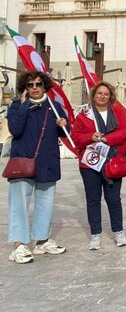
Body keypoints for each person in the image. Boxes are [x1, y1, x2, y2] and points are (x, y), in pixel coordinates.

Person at [6, 71, 68, 264]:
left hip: (47, 163)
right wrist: (25, 105)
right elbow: (15, 129)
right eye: (30, 85)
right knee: (19, 205)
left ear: (45, 87)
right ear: (25, 88)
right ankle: (18, 245)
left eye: (38, 84)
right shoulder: (17, 106)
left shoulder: (54, 107)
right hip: (22, 162)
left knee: (45, 203)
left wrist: (63, 124)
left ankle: (42, 241)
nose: (34, 88)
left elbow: (65, 133)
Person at [72, 82, 126, 250]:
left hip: (112, 161)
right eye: (99, 93)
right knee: (93, 200)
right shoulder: (85, 114)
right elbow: (76, 136)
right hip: (90, 163)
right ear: (94, 95)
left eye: (106, 94)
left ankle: (119, 231)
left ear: (110, 96)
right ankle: (95, 235)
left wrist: (107, 138)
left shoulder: (117, 113)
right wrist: (91, 136)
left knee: (113, 199)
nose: (102, 96)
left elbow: (125, 132)